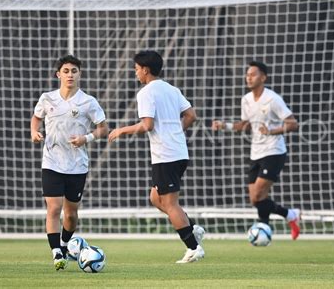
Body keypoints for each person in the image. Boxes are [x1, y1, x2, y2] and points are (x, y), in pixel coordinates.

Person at [108, 50, 205, 263]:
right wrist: (176, 131)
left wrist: (120, 130)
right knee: (155, 197)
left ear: (146, 69)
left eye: (136, 70)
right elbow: (191, 115)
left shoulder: (146, 92)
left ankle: (193, 247)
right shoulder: (171, 89)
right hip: (179, 152)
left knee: (170, 204)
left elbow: (147, 125)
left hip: (166, 155)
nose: (135, 74)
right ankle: (190, 228)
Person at [30, 54, 108, 270]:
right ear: (59, 74)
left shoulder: (88, 102)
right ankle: (57, 253)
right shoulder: (47, 98)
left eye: (74, 71)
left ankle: (64, 244)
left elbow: (103, 129)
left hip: (77, 165)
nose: (70, 75)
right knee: (53, 208)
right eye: (66, 71)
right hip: (52, 162)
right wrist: (35, 132)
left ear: (79, 74)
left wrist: (86, 138)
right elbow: (36, 118)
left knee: (71, 214)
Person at [211, 61, 301, 240]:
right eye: (247, 75)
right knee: (255, 198)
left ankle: (265, 230)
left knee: (259, 193)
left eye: (253, 74)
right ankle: (289, 215)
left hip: (274, 151)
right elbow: (245, 125)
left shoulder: (273, 99)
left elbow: (293, 123)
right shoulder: (246, 100)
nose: (249, 77)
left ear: (263, 77)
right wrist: (225, 126)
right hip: (256, 152)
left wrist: (273, 131)